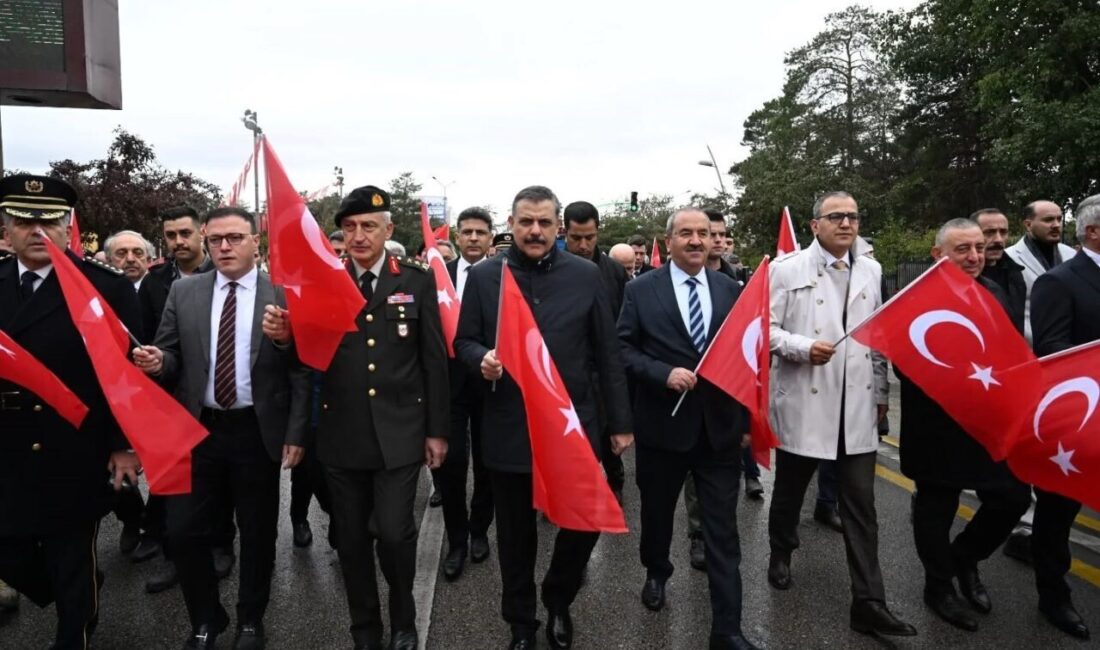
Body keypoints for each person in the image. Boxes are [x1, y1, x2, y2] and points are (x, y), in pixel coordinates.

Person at [455, 186, 632, 650]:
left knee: (584, 522)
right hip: (509, 424)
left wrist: (620, 422)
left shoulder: (585, 276)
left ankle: (558, 598)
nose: (535, 231)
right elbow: (464, 342)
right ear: (510, 225)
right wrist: (482, 359)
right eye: (526, 222)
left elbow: (607, 353)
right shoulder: (485, 278)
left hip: (572, 427)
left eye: (544, 223)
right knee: (515, 535)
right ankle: (520, 621)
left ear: (557, 229)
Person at [133, 206, 309, 650]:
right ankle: (206, 619)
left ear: (256, 242)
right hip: (197, 431)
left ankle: (251, 618)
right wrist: (159, 362)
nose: (224, 247)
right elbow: (171, 355)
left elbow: (304, 370)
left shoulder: (284, 293)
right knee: (182, 531)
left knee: (257, 533)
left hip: (256, 431)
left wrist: (297, 431)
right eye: (216, 240)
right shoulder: (186, 292)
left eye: (234, 238)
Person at [0, 174, 143, 649]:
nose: (37, 230)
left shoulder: (104, 289)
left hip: (75, 443)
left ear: (67, 229)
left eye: (49, 221)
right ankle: (72, 591)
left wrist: (124, 445)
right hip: (7, 444)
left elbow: (126, 380)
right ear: (6, 229)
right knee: (11, 551)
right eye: (24, 220)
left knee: (70, 556)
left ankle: (73, 633)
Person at [767, 191, 916, 637]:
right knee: (791, 488)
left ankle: (869, 601)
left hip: (855, 404)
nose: (846, 224)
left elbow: (877, 336)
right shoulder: (785, 269)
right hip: (806, 395)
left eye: (852, 216)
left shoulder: (870, 269)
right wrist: (799, 347)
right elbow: (765, 330)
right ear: (816, 225)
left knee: (861, 505)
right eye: (836, 217)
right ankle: (781, 549)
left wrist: (881, 391)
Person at [618, 207, 758, 650]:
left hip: (719, 433)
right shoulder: (641, 290)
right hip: (663, 430)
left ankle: (728, 630)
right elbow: (621, 349)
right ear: (671, 240)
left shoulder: (732, 290)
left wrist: (749, 423)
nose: (697, 240)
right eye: (687, 234)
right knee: (657, 518)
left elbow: (746, 357)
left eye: (704, 233)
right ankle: (657, 571)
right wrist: (663, 372)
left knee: (722, 532)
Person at [316, 185, 449, 650]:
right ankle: (365, 630)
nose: (358, 236)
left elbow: (434, 360)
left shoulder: (413, 281)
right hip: (341, 433)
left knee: (395, 534)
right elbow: (306, 356)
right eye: (349, 227)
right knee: (350, 543)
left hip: (399, 431)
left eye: (368, 226)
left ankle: (404, 619)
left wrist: (437, 431)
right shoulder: (325, 280)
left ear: (388, 230)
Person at [899, 219, 1031, 632]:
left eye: (978, 247)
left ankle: (964, 559)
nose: (975, 257)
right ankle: (939, 587)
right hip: (936, 427)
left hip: (987, 424)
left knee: (1011, 498)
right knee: (936, 507)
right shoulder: (913, 300)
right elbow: (906, 366)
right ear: (939, 254)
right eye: (963, 250)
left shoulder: (994, 290)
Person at [135, 206, 234, 596]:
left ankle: (222, 544)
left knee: (220, 482)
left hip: (216, 399)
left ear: (202, 234)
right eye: (170, 235)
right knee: (175, 487)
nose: (178, 241)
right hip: (170, 399)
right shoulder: (156, 280)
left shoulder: (225, 272)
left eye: (185, 234)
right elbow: (146, 334)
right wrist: (154, 362)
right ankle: (177, 556)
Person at [1026, 193, 1100, 641]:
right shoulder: (1060, 281)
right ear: (1093, 231)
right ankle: (1054, 596)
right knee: (1057, 516)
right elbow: (1052, 350)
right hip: (1077, 422)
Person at [438, 206, 495, 581]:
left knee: (489, 464)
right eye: (467, 231)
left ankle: (479, 529)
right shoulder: (436, 278)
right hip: (448, 386)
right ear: (457, 237)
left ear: (491, 237)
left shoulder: (505, 276)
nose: (473, 237)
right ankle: (456, 538)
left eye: (480, 231)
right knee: (451, 464)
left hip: (493, 383)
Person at [563, 201, 629, 503]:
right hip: (566, 372)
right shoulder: (555, 269)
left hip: (605, 371)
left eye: (589, 237)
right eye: (576, 238)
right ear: (565, 232)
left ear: (598, 230)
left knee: (607, 434)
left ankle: (614, 483)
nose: (583, 244)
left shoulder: (614, 272)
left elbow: (624, 322)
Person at [102, 229, 157, 556]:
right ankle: (132, 517)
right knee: (116, 471)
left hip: (160, 392)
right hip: (117, 395)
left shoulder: (167, 290)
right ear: (109, 260)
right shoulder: (97, 293)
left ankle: (160, 528)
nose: (130, 259)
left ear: (149, 260)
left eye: (137, 252)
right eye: (121, 254)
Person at [1004, 200, 1077, 343]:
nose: (1056, 225)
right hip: (1031, 344)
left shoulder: (1071, 254)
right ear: (1028, 225)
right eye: (1048, 220)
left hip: (1071, 342)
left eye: (1059, 219)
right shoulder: (1009, 258)